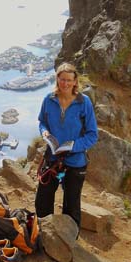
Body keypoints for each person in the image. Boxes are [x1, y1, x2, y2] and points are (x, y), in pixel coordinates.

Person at [35, 62, 98, 229]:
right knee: (42, 200)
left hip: (75, 161)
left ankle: (69, 241)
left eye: (69, 80)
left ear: (75, 81)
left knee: (71, 205)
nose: (65, 83)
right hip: (52, 158)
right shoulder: (49, 100)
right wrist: (44, 133)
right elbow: (42, 122)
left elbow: (92, 135)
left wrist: (73, 146)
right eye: (62, 79)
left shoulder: (83, 102)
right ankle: (44, 233)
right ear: (57, 79)